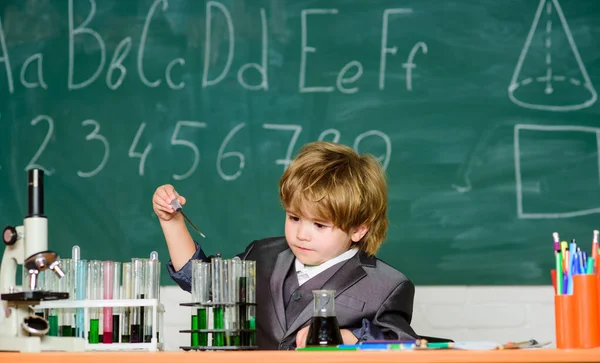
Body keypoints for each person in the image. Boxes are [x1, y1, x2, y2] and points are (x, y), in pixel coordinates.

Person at [152, 141, 419, 350]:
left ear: (359, 228)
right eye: (294, 217)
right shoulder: (262, 255)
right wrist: (173, 222)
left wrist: (346, 337)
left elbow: (402, 342)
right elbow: (203, 282)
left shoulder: (387, 285)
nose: (302, 234)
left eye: (320, 225)